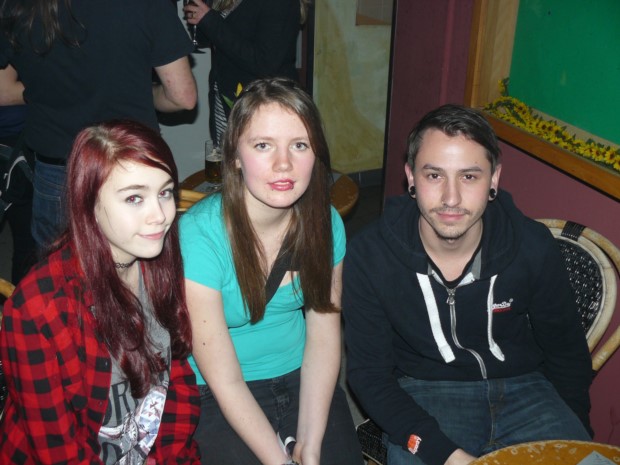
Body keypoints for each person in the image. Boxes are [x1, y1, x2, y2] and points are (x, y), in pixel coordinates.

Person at [343, 104, 593, 465]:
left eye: (469, 177)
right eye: (434, 175)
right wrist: (441, 452)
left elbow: (567, 353)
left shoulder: (532, 246)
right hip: (426, 392)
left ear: (494, 179)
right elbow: (369, 376)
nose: (451, 198)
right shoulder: (370, 256)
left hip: (527, 388)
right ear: (410, 177)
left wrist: (575, 435)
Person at [180, 77, 363, 465]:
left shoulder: (326, 223)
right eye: (263, 145)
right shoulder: (199, 234)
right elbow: (225, 379)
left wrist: (310, 443)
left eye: (300, 145)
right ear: (234, 156)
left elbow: (324, 336)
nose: (284, 164)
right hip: (218, 389)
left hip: (301, 372)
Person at [0, 120, 201, 464]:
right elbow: (58, 451)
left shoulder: (158, 262)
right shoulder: (37, 310)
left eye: (165, 192)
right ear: (88, 203)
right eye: (134, 198)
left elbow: (178, 381)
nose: (160, 216)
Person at [0, 0, 197, 250]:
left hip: (59, 170)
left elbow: (4, 91)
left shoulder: (18, 4)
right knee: (140, 264)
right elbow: (182, 97)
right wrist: (135, 90)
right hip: (130, 162)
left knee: (62, 269)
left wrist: (50, 89)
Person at [183, 0, 310, 145]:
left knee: (258, 157)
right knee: (227, 156)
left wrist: (210, 20)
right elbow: (206, 37)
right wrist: (201, 17)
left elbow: (266, 63)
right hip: (226, 98)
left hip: (263, 105)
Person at [0, 64, 35, 283]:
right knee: (27, 242)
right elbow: (4, 93)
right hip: (12, 141)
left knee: (27, 241)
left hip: (20, 141)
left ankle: (20, 301)